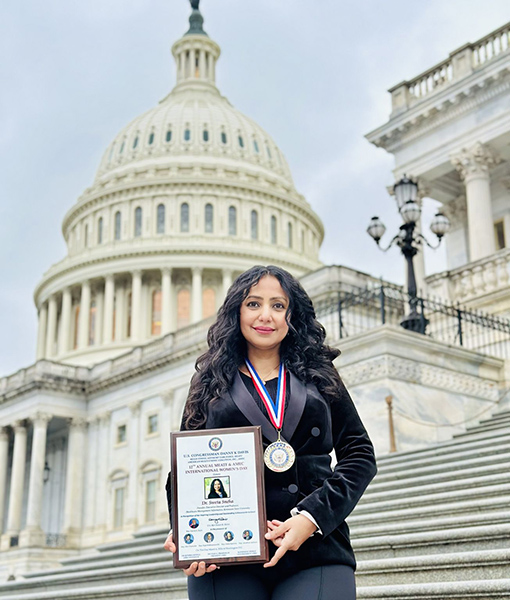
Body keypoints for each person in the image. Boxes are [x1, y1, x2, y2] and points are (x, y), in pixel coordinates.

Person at [164, 265, 377, 600]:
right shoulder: (208, 381)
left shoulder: (320, 373)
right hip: (225, 554)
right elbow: (184, 469)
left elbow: (360, 454)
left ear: (292, 315)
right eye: (253, 304)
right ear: (236, 311)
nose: (266, 316)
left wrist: (311, 517)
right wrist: (186, 532)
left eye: (278, 305)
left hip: (315, 548)